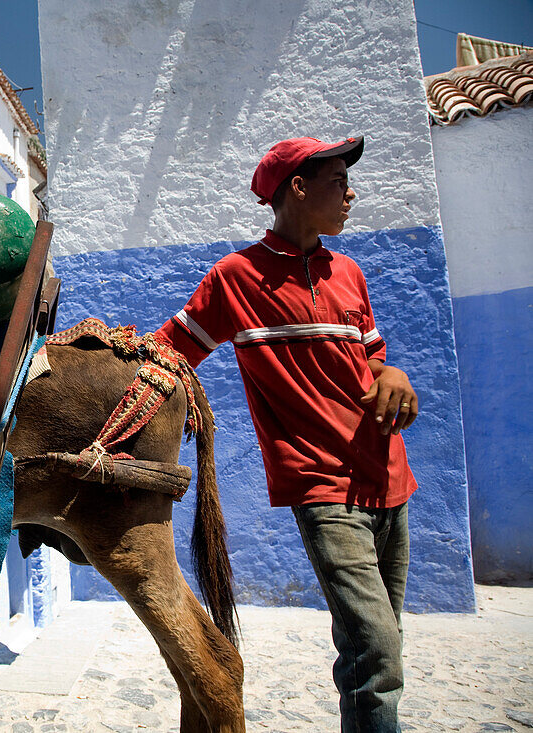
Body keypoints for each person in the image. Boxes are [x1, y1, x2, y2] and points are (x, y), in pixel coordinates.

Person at [154, 135, 418, 732]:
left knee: (377, 646)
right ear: (296, 189)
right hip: (323, 488)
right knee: (377, 649)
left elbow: (371, 362)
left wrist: (393, 372)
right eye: (336, 182)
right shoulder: (236, 278)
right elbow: (166, 355)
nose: (350, 194)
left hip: (392, 478)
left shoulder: (348, 272)